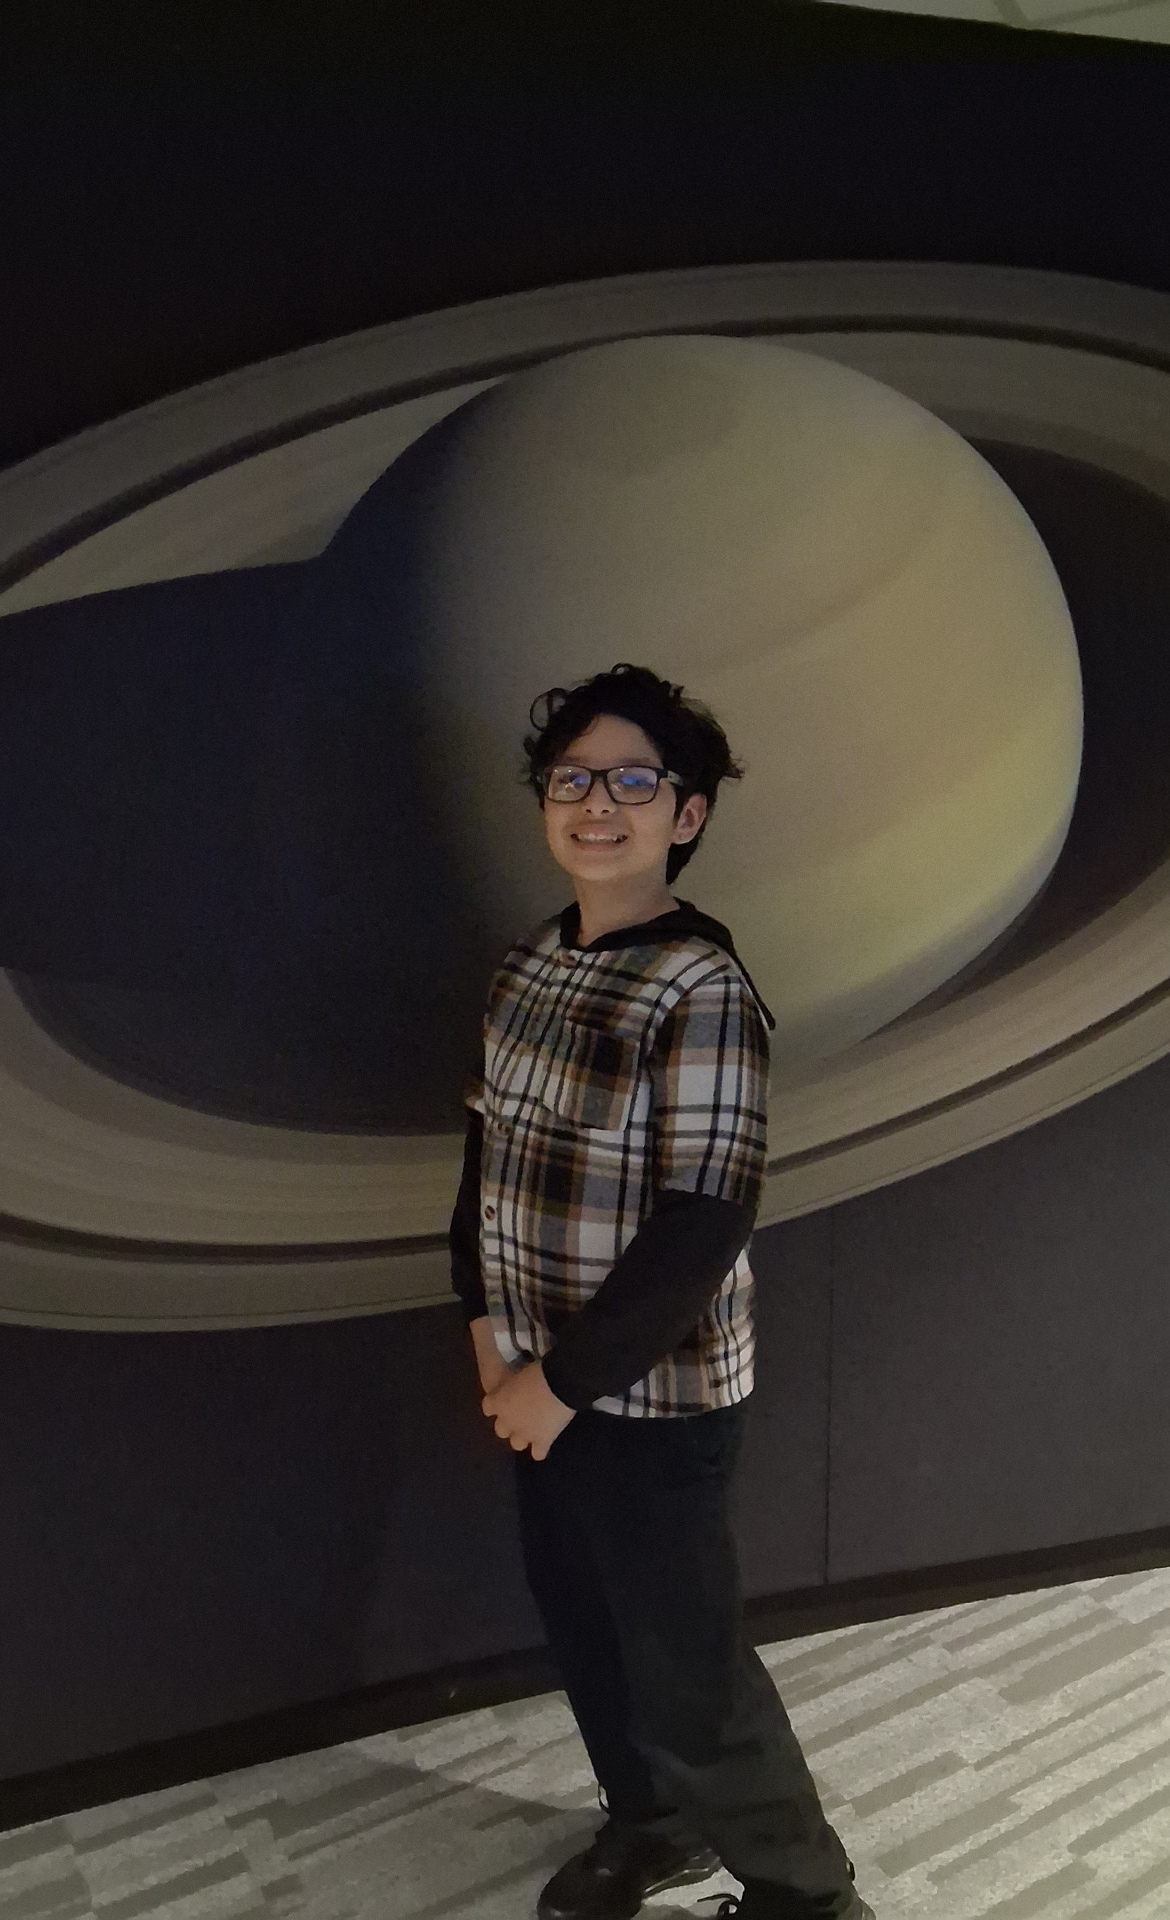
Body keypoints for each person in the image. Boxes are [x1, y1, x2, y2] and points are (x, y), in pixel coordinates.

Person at [449, 665, 875, 1920]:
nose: (598, 803)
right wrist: (487, 1334)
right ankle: (655, 1824)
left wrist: (561, 1381)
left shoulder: (702, 991)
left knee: (690, 1671)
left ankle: (807, 1899)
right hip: (534, 1381)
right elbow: (483, 1170)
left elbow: (705, 1222)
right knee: (585, 1624)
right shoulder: (530, 964)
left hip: (654, 1402)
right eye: (573, 778)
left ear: (685, 814)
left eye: (633, 781)